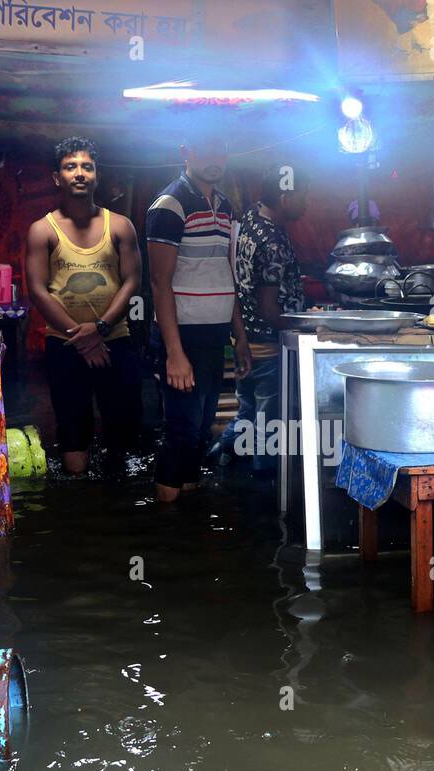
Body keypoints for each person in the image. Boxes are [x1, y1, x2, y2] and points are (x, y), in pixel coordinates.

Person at [25, 136, 143, 475]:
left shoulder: (120, 226)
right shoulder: (41, 230)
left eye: (86, 167)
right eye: (70, 166)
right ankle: (78, 512)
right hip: (64, 344)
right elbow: (38, 290)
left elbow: (132, 282)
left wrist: (101, 329)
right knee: (73, 438)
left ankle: (114, 512)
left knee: (121, 435)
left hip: (114, 340)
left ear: (97, 175)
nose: (79, 173)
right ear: (56, 177)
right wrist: (81, 336)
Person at [146, 132, 252, 502]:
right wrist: (174, 352)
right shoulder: (170, 205)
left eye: (220, 146)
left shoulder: (225, 206)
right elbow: (160, 283)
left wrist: (238, 336)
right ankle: (166, 533)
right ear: (185, 151)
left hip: (215, 333)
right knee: (181, 430)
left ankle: (188, 530)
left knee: (201, 428)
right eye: (205, 147)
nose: (214, 155)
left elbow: (227, 275)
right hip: (182, 336)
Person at [210, 163, 309, 473]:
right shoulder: (274, 242)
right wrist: (307, 324)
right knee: (271, 424)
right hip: (268, 344)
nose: (306, 201)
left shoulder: (251, 219)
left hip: (246, 339)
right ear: (284, 198)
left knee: (248, 410)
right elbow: (270, 310)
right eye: (301, 194)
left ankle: (218, 454)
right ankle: (264, 485)